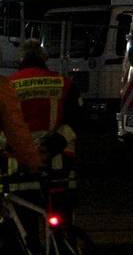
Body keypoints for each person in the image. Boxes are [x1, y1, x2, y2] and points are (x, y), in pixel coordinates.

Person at [4, 39, 79, 177]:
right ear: (44, 58)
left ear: (21, 59)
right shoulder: (65, 84)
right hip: (57, 162)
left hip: (17, 167)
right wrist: (54, 144)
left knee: (20, 197)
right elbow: (76, 120)